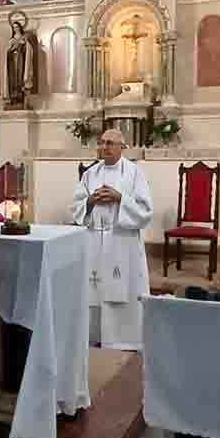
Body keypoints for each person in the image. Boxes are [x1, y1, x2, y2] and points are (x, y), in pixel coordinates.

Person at [70, 129, 152, 350]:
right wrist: (90, 201)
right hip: (95, 243)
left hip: (122, 242)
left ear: (122, 147)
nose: (105, 147)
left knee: (123, 287)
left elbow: (145, 211)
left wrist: (119, 198)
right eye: (102, 142)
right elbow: (76, 207)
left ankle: (126, 337)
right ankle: (94, 334)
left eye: (110, 143)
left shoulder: (134, 173)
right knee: (94, 289)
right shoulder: (90, 174)